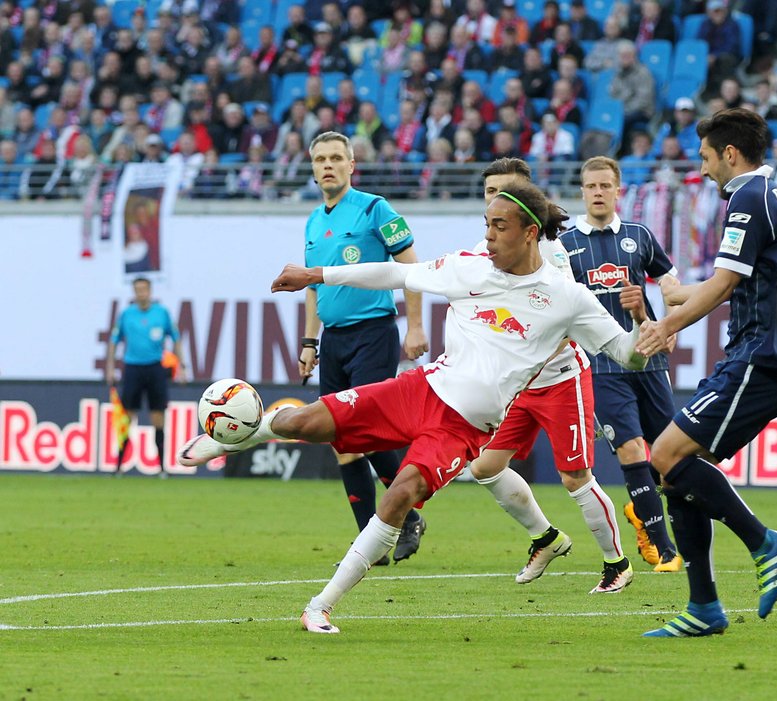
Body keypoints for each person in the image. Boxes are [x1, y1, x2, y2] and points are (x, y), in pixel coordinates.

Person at [178, 180, 652, 634]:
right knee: (305, 421)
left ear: (530, 232)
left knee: (399, 494)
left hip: (463, 428)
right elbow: (398, 273)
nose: (488, 236)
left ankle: (319, 606)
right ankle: (240, 435)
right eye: (486, 224)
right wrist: (317, 275)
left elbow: (627, 355)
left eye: (499, 226)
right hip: (420, 390)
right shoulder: (469, 267)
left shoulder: (566, 297)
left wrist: (639, 322)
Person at [633, 108, 777, 637]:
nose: (704, 169)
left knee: (663, 455)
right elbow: (733, 279)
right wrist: (676, 294)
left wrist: (668, 325)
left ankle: (764, 542)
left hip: (760, 357)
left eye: (706, 157)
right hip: (759, 355)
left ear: (730, 153)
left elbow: (726, 284)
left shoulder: (749, 198)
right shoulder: (766, 197)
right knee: (677, 475)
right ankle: (704, 608)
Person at [470, 158, 632, 594]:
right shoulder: (484, 252)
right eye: (489, 193)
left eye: (503, 191)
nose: (495, 199)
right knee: (484, 466)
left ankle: (616, 563)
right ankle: (545, 538)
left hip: (560, 379)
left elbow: (560, 320)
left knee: (574, 478)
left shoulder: (552, 252)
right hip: (519, 383)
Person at [299, 131, 430, 565]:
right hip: (334, 339)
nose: (328, 165)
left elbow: (411, 269)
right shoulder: (313, 221)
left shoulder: (376, 208)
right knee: (342, 440)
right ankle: (369, 542)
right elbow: (313, 286)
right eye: (321, 159)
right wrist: (310, 342)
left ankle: (408, 516)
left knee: (368, 429)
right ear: (313, 168)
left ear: (352, 165)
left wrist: (415, 326)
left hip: (373, 333)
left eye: (336, 158)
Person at [559, 156, 682, 573]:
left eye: (605, 186)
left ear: (617, 190)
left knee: (669, 454)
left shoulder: (638, 235)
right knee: (631, 447)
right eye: (591, 186)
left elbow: (668, 280)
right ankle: (665, 549)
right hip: (601, 364)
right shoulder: (565, 245)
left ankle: (641, 512)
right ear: (582, 192)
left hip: (648, 358)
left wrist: (670, 322)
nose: (598, 193)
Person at [105, 277, 185, 476]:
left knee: (157, 416)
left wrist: (181, 367)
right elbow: (114, 341)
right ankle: (118, 467)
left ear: (150, 291)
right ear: (134, 292)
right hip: (133, 368)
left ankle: (162, 468)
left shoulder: (162, 313)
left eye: (144, 289)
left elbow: (176, 339)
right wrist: (110, 367)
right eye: (137, 289)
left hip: (155, 368)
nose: (141, 293)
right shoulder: (126, 315)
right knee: (127, 417)